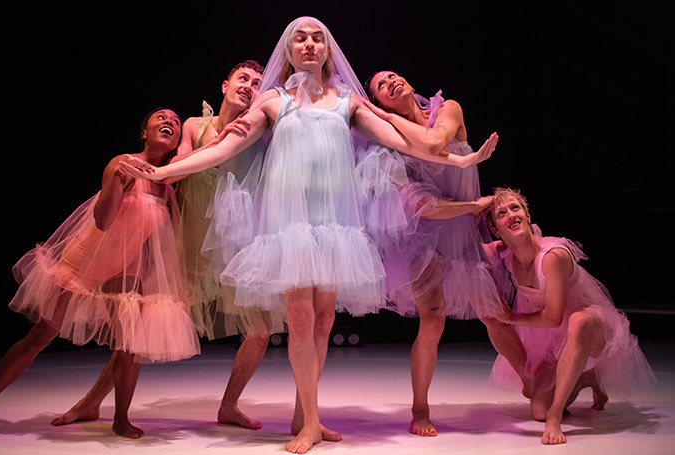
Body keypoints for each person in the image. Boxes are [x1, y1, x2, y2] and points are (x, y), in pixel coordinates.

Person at [120, 17, 496, 453]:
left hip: (335, 224)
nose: (310, 44)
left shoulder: (348, 102)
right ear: (289, 50)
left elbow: (402, 141)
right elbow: (222, 150)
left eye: (317, 38)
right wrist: (163, 170)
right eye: (300, 38)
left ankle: (305, 415)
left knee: (324, 321)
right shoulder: (274, 102)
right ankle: (311, 424)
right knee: (299, 318)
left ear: (327, 51)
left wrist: (458, 163)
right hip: (289, 223)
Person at [50, 61, 286, 431]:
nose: (249, 87)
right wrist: (222, 141)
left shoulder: (260, 132)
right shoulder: (196, 124)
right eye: (243, 79)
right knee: (140, 329)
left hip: (235, 247)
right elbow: (179, 165)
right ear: (225, 85)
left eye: (258, 84)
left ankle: (229, 406)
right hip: (188, 247)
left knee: (260, 329)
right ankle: (92, 401)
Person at [0, 108, 200, 438]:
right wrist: (118, 182)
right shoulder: (122, 162)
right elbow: (103, 222)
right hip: (87, 258)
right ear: (144, 132)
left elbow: (156, 241)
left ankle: (121, 418)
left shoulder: (166, 188)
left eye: (176, 122)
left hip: (124, 266)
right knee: (40, 336)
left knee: (129, 344)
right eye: (161, 118)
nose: (169, 122)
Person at [364, 70, 527, 436]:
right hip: (425, 241)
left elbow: (436, 142)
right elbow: (424, 207)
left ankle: (531, 380)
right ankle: (419, 410)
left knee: (495, 314)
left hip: (464, 234)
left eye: (392, 76)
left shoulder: (447, 109)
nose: (391, 81)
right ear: (378, 103)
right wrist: (470, 206)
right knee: (432, 322)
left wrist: (389, 117)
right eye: (381, 87)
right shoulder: (390, 149)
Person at [484, 187, 655, 445]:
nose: (511, 215)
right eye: (501, 213)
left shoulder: (553, 256)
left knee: (578, 321)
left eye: (515, 208)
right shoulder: (505, 254)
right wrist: (473, 208)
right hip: (554, 339)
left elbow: (553, 318)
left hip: (593, 327)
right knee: (537, 409)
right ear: (496, 229)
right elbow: (468, 249)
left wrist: (512, 317)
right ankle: (585, 378)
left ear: (528, 215)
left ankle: (555, 416)